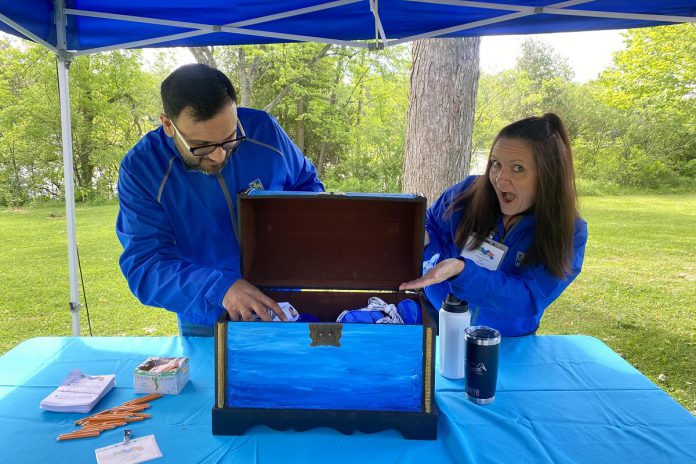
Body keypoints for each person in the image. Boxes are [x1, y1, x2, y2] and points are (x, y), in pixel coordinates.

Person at [116, 64, 324, 336]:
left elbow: (306, 184)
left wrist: (294, 238)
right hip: (207, 313)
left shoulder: (264, 130)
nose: (219, 157)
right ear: (168, 125)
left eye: (230, 140)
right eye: (202, 147)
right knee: (212, 378)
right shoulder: (143, 169)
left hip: (284, 299)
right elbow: (146, 265)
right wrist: (220, 287)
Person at [399, 113, 587, 337]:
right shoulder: (468, 193)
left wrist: (462, 272)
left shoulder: (568, 231)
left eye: (517, 168)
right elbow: (434, 226)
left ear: (547, 176)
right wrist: (425, 238)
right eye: (496, 164)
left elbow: (529, 298)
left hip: (504, 341)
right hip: (440, 317)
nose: (499, 178)